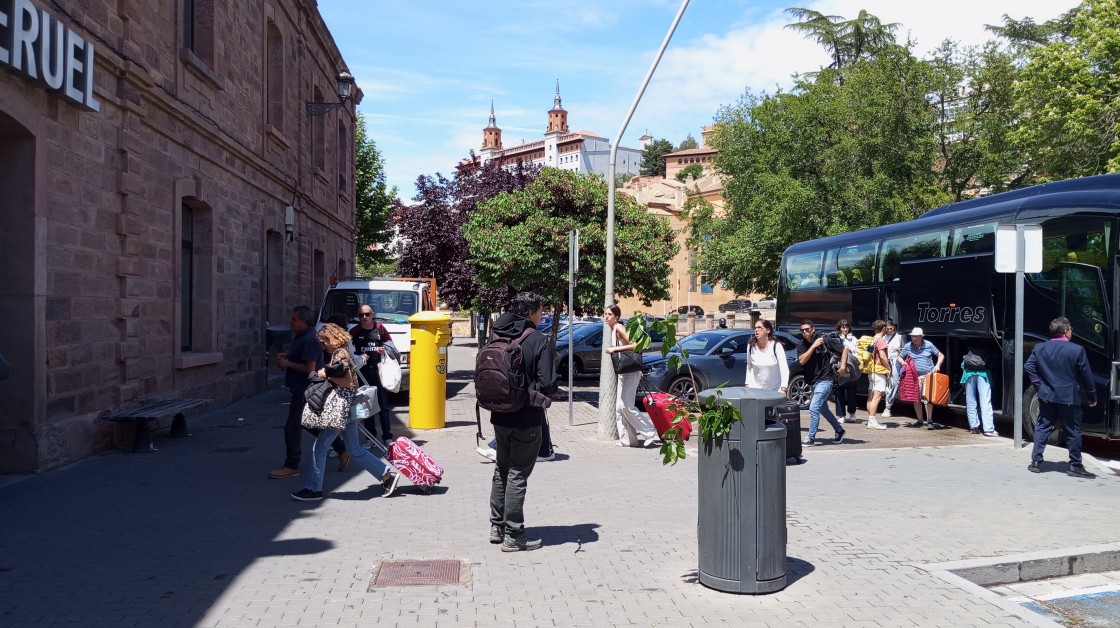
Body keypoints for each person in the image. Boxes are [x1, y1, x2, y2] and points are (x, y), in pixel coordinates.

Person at [291, 324, 401, 501]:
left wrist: (324, 373)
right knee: (354, 449)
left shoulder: (338, 353)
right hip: (347, 407)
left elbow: (348, 382)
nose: (322, 345)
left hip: (339, 409)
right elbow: (354, 382)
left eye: (323, 341)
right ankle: (387, 475)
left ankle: (314, 489)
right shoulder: (346, 351)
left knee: (319, 448)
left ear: (330, 339)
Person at [488, 292, 557, 551]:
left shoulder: (497, 334)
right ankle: (514, 536)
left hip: (499, 414)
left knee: (501, 470)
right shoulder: (537, 340)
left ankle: (497, 526)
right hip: (527, 417)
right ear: (530, 312)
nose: (542, 315)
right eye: (541, 310)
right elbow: (549, 383)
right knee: (517, 473)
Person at [269, 306, 347, 479]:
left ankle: (291, 465)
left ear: (304, 321)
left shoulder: (309, 339)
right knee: (308, 424)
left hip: (305, 389)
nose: (291, 321)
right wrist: (288, 357)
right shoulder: (302, 337)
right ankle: (341, 449)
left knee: (292, 428)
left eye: (294, 319)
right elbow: (302, 358)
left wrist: (287, 364)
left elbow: (309, 368)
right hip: (301, 388)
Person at [1025, 317, 1097, 478]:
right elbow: (1086, 376)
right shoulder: (1077, 350)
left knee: (1043, 427)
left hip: (1047, 396)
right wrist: (1092, 397)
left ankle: (1036, 461)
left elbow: (1029, 366)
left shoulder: (1040, 348)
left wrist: (1039, 386)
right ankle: (1075, 465)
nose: (1071, 332)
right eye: (1071, 329)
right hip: (1069, 398)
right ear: (1066, 331)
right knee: (1072, 431)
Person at [604, 304, 659, 448]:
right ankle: (628, 439)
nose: (606, 317)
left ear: (616, 317)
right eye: (605, 314)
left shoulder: (619, 328)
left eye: (609, 314)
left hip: (630, 374)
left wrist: (615, 348)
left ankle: (650, 432)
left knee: (627, 406)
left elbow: (636, 345)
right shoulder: (613, 329)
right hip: (625, 373)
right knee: (619, 408)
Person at [349, 304, 400, 444]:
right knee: (366, 406)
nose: (364, 317)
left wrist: (385, 350)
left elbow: (391, 345)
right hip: (362, 372)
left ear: (372, 314)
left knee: (383, 405)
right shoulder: (354, 331)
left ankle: (387, 437)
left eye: (367, 314)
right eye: (361, 315)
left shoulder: (380, 328)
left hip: (379, 371)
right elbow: (348, 351)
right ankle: (370, 438)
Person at [796, 320, 846, 446]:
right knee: (823, 409)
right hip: (813, 381)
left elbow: (844, 349)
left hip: (826, 379)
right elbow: (802, 361)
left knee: (813, 408)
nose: (804, 332)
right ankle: (840, 431)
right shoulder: (801, 344)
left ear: (813, 329)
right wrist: (813, 346)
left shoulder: (825, 339)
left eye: (807, 329)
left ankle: (811, 438)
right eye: (802, 330)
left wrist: (843, 367)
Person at [898, 327, 944, 429]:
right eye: (913, 336)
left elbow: (940, 355)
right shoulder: (907, 346)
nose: (914, 338)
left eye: (916, 336)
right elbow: (900, 357)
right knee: (916, 398)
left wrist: (938, 365)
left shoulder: (928, 345)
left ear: (921, 337)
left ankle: (930, 420)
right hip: (914, 376)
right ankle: (920, 420)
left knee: (927, 397)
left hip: (928, 375)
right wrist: (903, 363)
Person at [745, 319, 789, 394]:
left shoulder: (776, 346)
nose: (756, 330)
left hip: (775, 390)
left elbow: (784, 368)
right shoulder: (751, 346)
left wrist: (783, 388)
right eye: (755, 328)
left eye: (760, 328)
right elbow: (749, 365)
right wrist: (747, 383)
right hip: (755, 390)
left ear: (768, 330)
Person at [961, 346, 997, 437]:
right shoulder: (986, 351)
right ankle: (988, 429)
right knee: (985, 401)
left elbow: (963, 365)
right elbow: (991, 365)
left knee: (971, 401)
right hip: (984, 375)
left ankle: (974, 427)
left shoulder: (968, 354)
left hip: (969, 375)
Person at [863, 319, 890, 430]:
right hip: (879, 371)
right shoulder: (881, 341)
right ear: (883, 328)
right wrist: (889, 368)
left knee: (870, 396)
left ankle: (870, 420)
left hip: (871, 371)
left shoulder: (872, 339)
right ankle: (873, 421)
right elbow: (883, 356)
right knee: (877, 396)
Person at [832, 320, 859, 423]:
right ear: (839, 328)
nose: (845, 329)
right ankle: (841, 415)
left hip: (851, 367)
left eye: (846, 327)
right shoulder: (836, 338)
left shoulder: (853, 339)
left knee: (852, 392)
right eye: (843, 327)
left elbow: (857, 352)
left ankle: (852, 413)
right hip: (839, 366)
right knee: (839, 392)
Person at [882, 320, 901, 418]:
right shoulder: (883, 337)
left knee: (893, 383)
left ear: (894, 327)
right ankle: (886, 406)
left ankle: (887, 407)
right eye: (887, 329)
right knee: (886, 384)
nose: (889, 330)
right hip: (884, 361)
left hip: (895, 362)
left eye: (891, 328)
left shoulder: (899, 337)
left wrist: (899, 350)